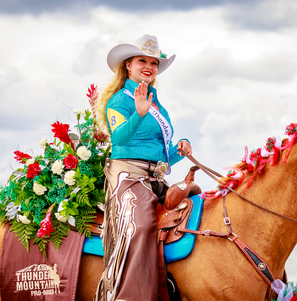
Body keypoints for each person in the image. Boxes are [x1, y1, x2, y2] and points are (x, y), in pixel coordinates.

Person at [94, 34, 192, 301]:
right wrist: (138, 114)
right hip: (128, 177)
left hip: (156, 178)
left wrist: (180, 149)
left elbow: (161, 155)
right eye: (142, 61)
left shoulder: (156, 102)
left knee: (195, 208)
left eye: (154, 62)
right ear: (128, 65)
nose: (149, 66)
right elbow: (119, 139)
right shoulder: (120, 101)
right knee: (138, 227)